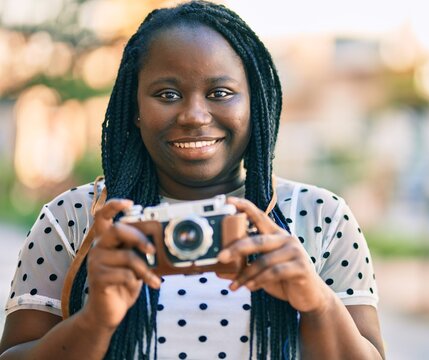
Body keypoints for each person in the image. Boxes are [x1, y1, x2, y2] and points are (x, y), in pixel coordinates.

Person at [0, 1, 385, 359]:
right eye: (167, 94)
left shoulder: (321, 216)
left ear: (256, 104)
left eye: (220, 92)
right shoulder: (77, 217)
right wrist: (95, 319)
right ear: (134, 108)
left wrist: (317, 302)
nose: (194, 115)